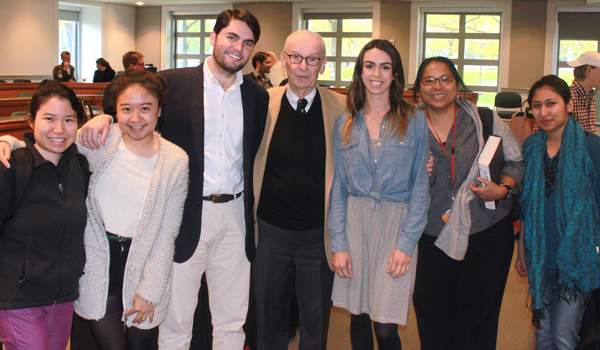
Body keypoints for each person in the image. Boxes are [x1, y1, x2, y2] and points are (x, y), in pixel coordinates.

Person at [77, 9, 269, 350]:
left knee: (231, 321)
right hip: (186, 217)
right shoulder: (174, 82)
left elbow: (251, 153)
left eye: (248, 43)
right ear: (213, 37)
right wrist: (104, 117)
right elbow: (135, 104)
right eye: (232, 37)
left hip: (236, 219)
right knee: (176, 322)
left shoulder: (257, 95)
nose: (239, 48)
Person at [0, 70, 189, 350]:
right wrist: (8, 141)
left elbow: (167, 231)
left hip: (143, 263)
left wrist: (150, 290)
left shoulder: (175, 159)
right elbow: (52, 140)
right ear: (116, 110)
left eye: (145, 108)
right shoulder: (99, 143)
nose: (136, 118)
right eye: (126, 109)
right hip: (95, 265)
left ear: (160, 110)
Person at [411, 57, 525, 350]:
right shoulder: (406, 127)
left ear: (457, 85)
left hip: (485, 236)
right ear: (418, 89)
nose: (438, 86)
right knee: (432, 319)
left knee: (478, 321)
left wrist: (503, 189)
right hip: (429, 237)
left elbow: (516, 160)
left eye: (446, 79)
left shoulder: (485, 119)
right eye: (429, 80)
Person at [329, 39, 430, 350]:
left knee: (385, 327)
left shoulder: (414, 120)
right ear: (360, 73)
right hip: (355, 225)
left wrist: (406, 244)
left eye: (385, 67)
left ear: (395, 75)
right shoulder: (344, 123)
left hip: (395, 226)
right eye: (369, 66)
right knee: (358, 318)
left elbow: (420, 188)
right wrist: (338, 243)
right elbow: (339, 188)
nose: (377, 74)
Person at [252, 29, 347, 350]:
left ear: (322, 64)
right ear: (282, 61)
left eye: (312, 59)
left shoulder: (342, 108)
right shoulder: (261, 103)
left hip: (318, 235)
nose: (303, 66)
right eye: (295, 57)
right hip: (270, 231)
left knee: (316, 319)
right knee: (269, 315)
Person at [0, 81, 88, 350]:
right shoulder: (11, 167)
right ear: (30, 120)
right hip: (19, 297)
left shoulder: (80, 166)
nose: (59, 129)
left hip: (62, 297)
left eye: (69, 119)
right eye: (49, 118)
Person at [515, 75, 600, 350]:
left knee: (563, 336)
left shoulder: (592, 148)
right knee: (542, 336)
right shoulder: (531, 147)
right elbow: (527, 206)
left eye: (551, 103)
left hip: (576, 260)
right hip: (541, 257)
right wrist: (521, 252)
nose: (543, 112)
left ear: (570, 105)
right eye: (537, 105)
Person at [102, 51, 146, 118]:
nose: (144, 67)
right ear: (132, 66)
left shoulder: (142, 84)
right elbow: (109, 110)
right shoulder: (115, 85)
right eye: (142, 64)